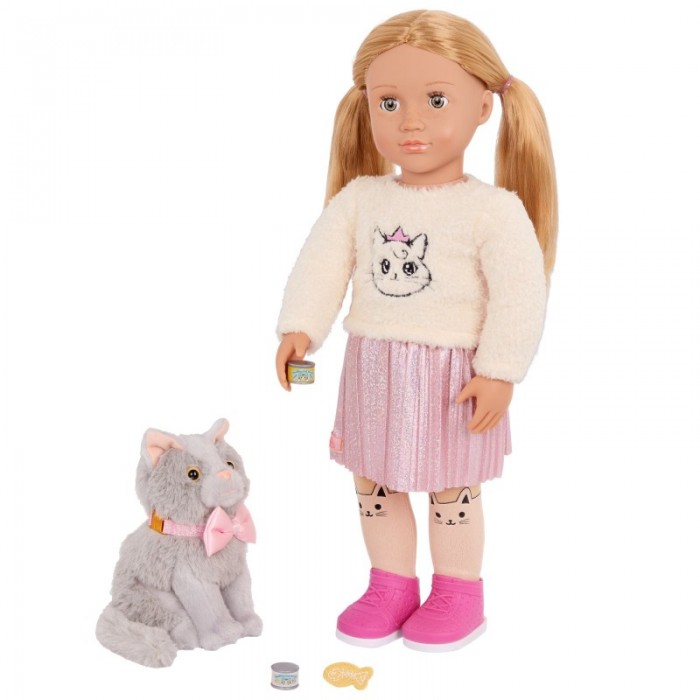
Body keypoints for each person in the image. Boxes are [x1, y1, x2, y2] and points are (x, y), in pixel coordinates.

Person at [275, 9, 557, 652]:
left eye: (435, 100)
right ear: (366, 107)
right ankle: (391, 583)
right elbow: (322, 264)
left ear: (483, 108)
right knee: (373, 483)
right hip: (372, 368)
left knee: (451, 488)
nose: (410, 121)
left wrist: (501, 371)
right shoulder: (361, 199)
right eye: (389, 102)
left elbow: (520, 295)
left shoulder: (493, 210)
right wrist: (300, 327)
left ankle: (458, 591)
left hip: (454, 378)